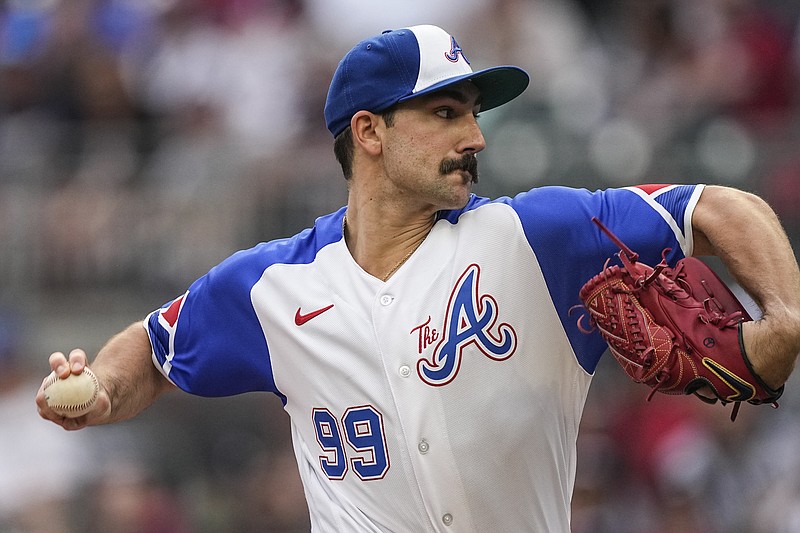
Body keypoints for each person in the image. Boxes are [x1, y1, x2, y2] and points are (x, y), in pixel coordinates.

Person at [37, 24, 800, 532]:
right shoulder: (272, 287)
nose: (474, 136)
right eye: (444, 112)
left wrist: (785, 317)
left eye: (473, 113)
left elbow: (718, 206)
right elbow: (153, 347)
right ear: (368, 132)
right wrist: (103, 387)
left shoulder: (539, 235)